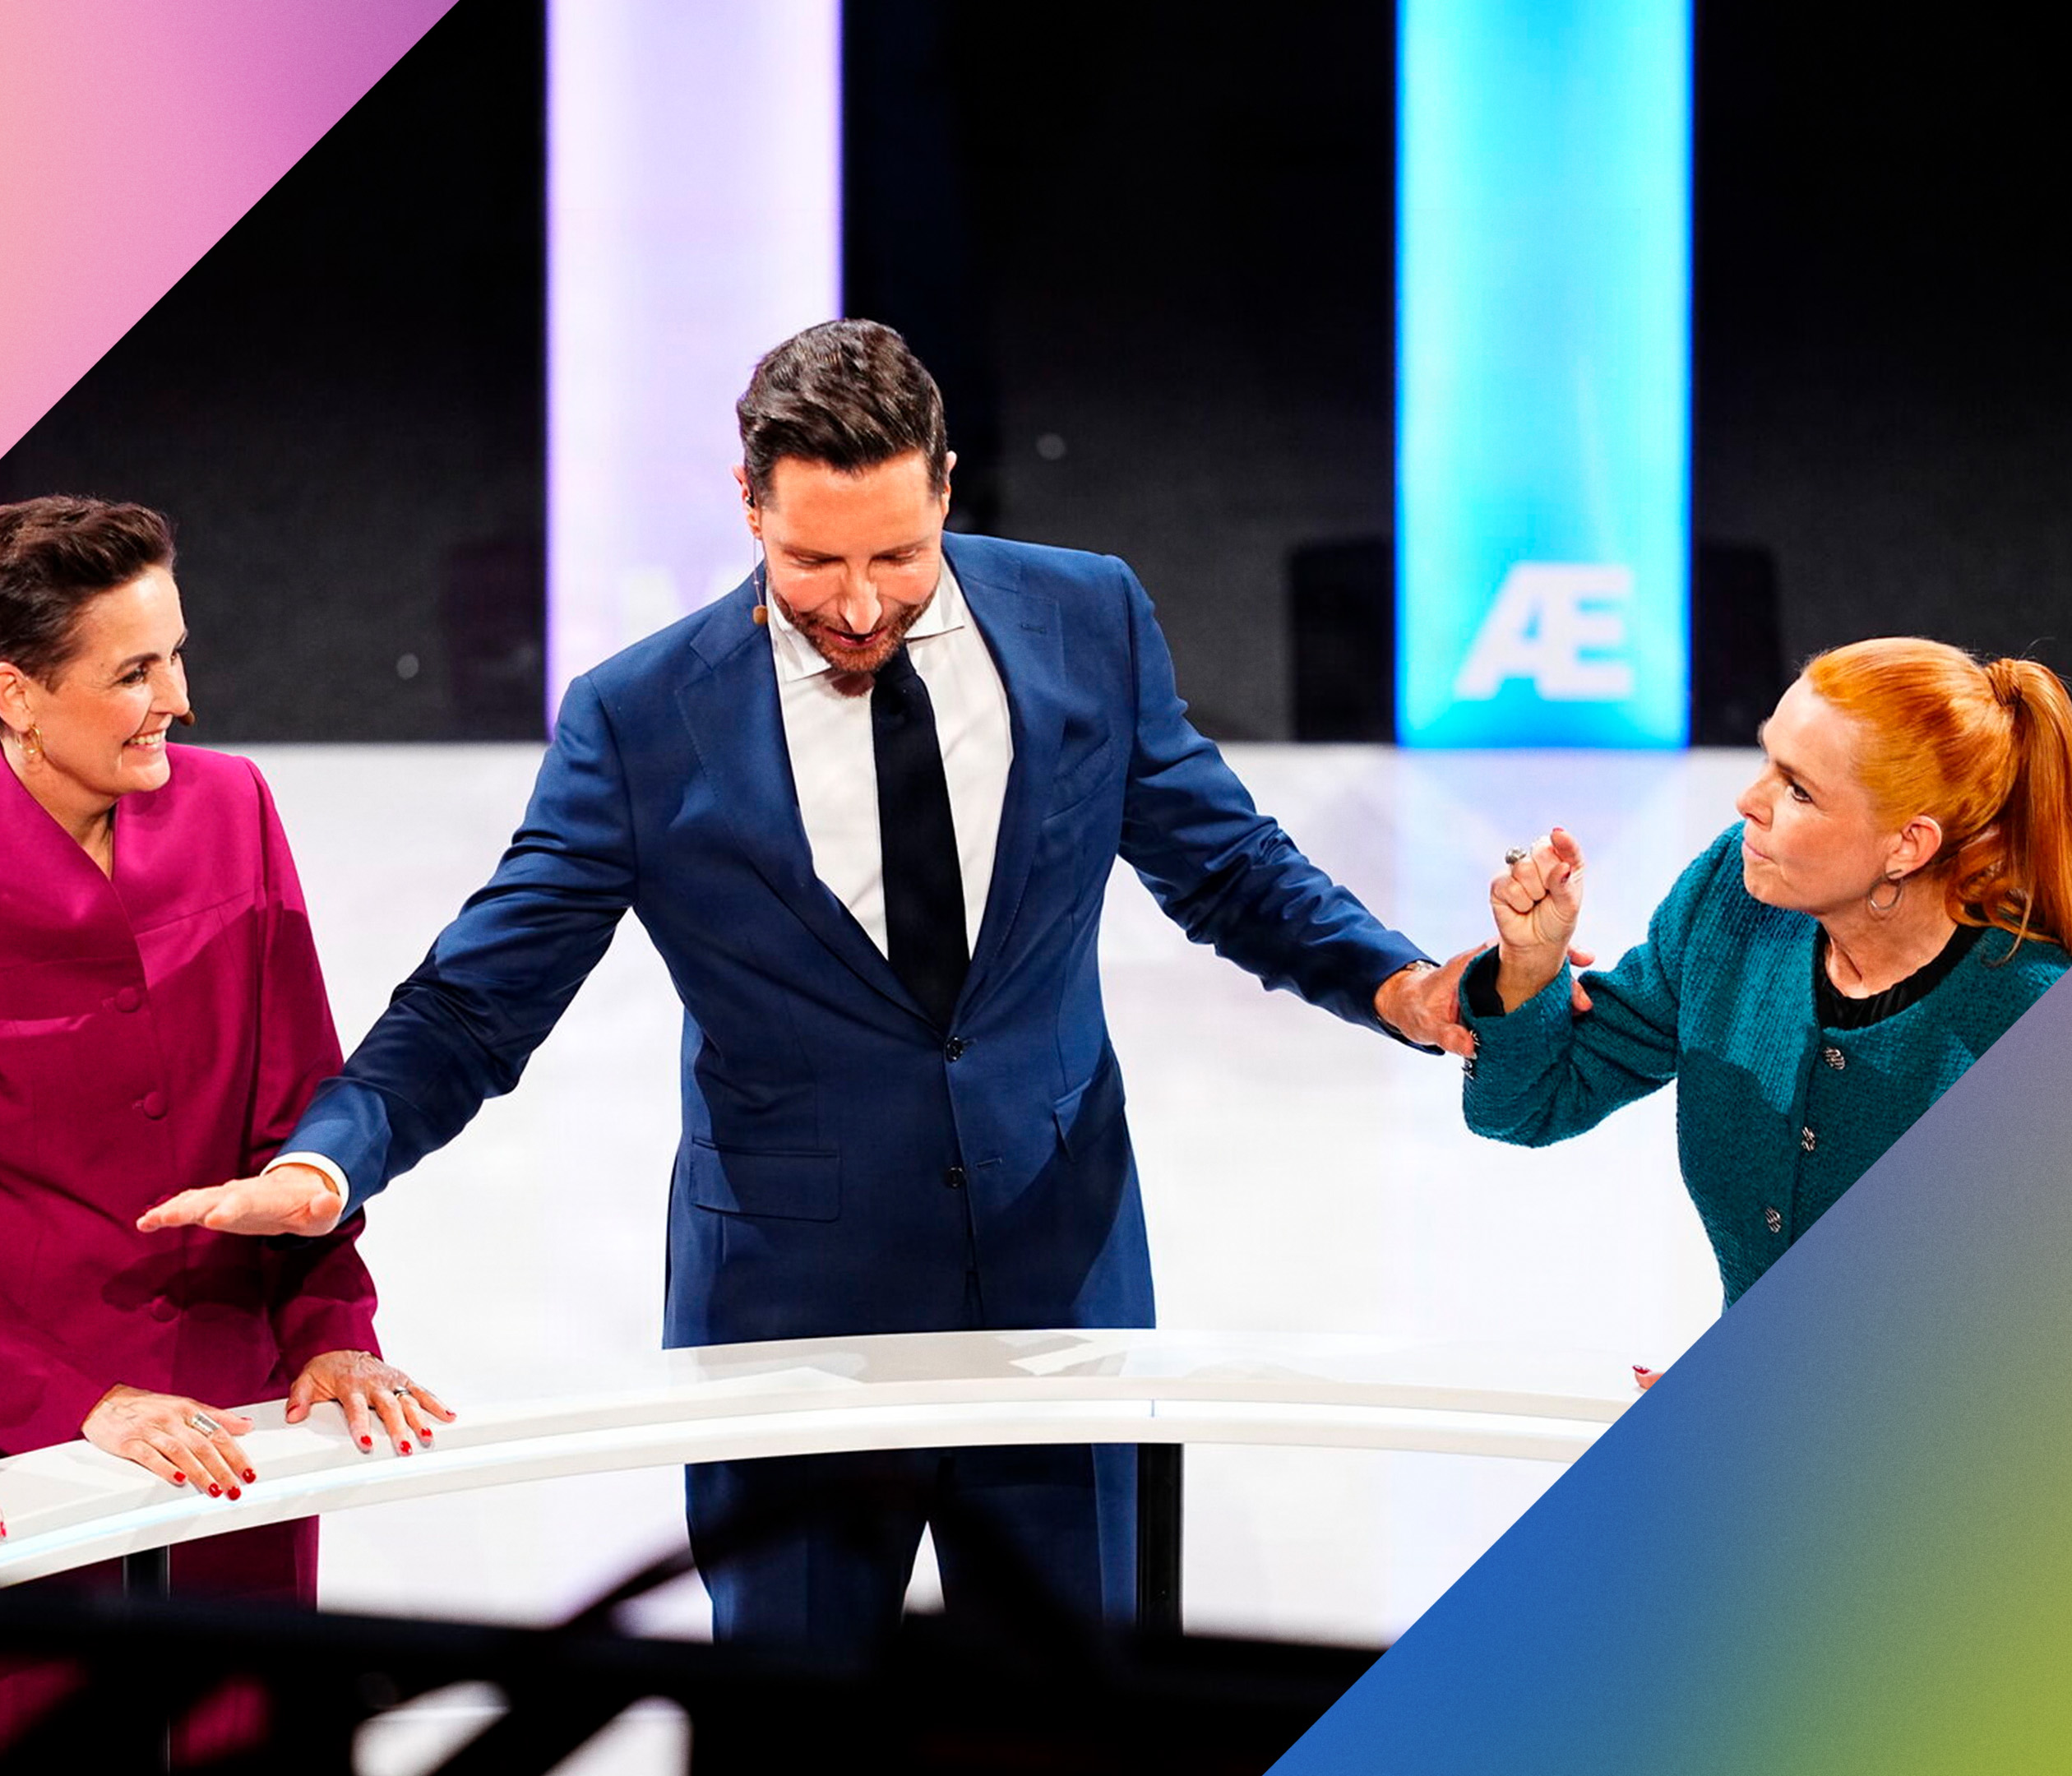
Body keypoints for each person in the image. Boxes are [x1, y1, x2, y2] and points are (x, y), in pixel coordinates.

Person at [139, 319, 1474, 1652]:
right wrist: (332, 1158)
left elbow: (1228, 867)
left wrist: (1405, 988)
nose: (859, 606)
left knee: (1071, 1719)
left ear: (945, 486)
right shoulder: (639, 717)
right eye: (813, 562)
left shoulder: (1087, 619)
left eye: (897, 557)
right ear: (748, 504)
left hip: (1060, 1288)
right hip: (789, 1328)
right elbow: (481, 997)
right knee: (790, 1726)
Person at [0, 499, 451, 1743]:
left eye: (179, 657)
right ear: (15, 692)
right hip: (31, 1433)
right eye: (133, 674)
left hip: (236, 1423)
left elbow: (296, 1108)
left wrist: (329, 1332)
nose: (180, 701)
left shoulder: (232, 808)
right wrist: (65, 1401)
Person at [1463, 638, 2072, 1373]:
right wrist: (1531, 966)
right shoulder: (1732, 896)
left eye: (1798, 790)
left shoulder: (2035, 1029)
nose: (1748, 801)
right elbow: (1527, 1104)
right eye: (1767, 760)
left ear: (1907, 845)